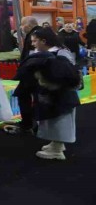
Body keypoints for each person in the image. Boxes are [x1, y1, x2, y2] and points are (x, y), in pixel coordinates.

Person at [24, 27, 79, 160]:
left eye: (35, 41)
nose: (33, 44)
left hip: (61, 96)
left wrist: (44, 80)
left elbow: (65, 76)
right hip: (52, 95)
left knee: (59, 121)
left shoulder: (60, 55)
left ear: (43, 41)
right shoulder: (53, 53)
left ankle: (57, 150)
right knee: (52, 120)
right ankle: (56, 143)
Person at [5, 16, 41, 136]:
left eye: (21, 24)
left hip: (31, 75)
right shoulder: (37, 33)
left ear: (28, 25)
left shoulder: (34, 35)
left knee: (26, 97)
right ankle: (31, 123)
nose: (20, 27)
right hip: (33, 74)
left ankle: (28, 124)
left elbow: (32, 56)